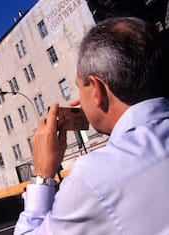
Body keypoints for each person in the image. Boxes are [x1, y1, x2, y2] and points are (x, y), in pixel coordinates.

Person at [14, 17, 169, 234]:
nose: (78, 101)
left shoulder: (92, 177)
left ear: (96, 89)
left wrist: (42, 174)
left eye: (80, 88)